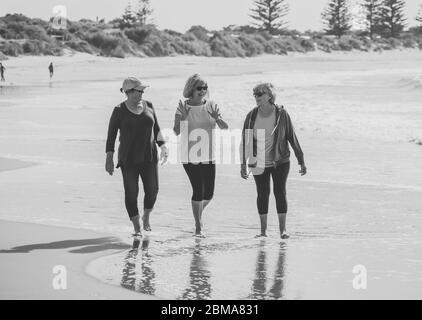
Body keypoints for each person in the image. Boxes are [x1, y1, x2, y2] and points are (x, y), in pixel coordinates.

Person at [240, 83, 307, 239]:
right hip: (258, 162)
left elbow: (292, 137)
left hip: (280, 161)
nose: (256, 97)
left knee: (280, 192)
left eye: (260, 94)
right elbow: (246, 141)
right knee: (262, 194)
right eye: (255, 94)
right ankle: (263, 232)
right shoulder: (251, 116)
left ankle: (283, 230)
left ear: (269, 96)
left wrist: (301, 160)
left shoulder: (282, 114)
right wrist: (243, 163)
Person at [105, 77, 168, 237]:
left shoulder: (149, 106)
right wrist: (109, 157)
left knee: (153, 190)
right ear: (128, 92)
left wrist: (163, 146)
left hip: (149, 156)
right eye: (139, 91)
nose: (142, 93)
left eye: (142, 91)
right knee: (131, 193)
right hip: (129, 159)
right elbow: (111, 135)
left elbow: (157, 129)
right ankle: (136, 226)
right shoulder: (119, 110)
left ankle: (146, 216)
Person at [173, 74, 228, 237]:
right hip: (189, 156)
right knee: (198, 190)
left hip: (209, 155)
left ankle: (198, 215)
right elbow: (176, 132)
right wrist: (183, 118)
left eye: (205, 87)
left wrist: (218, 119)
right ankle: (198, 226)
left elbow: (224, 127)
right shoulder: (183, 107)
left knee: (209, 194)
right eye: (199, 88)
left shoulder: (211, 105)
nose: (203, 91)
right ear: (191, 89)